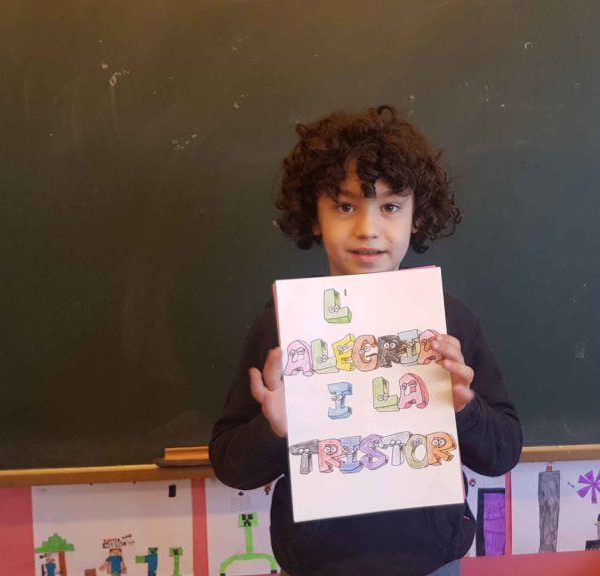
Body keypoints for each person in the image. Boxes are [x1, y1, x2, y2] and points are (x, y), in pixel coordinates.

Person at [209, 105, 522, 576]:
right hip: (317, 564)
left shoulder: (449, 322)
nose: (368, 229)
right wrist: (275, 430)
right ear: (314, 216)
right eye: (345, 206)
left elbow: (502, 453)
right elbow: (231, 464)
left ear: (417, 217)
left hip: (432, 561)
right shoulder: (282, 327)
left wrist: (464, 407)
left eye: (390, 207)